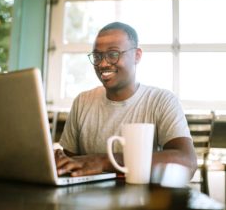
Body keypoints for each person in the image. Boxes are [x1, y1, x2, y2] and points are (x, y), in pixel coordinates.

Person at [55, 22, 197, 179]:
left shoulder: (161, 101)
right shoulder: (82, 102)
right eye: (97, 56)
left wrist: (105, 161)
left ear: (137, 56)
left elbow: (187, 162)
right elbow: (71, 165)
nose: (102, 64)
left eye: (113, 54)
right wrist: (59, 162)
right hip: (87, 200)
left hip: (142, 200)